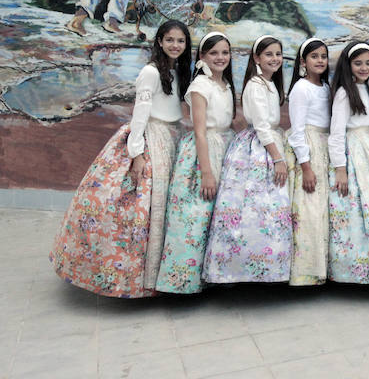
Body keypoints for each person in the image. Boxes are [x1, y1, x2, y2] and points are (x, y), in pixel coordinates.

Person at [49, 20, 191, 297]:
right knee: (145, 209)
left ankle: (163, 274)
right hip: (153, 137)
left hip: (173, 137)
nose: (175, 45)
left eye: (181, 41)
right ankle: (139, 278)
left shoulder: (177, 71)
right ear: (160, 42)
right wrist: (136, 153)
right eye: (170, 40)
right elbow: (140, 112)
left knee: (167, 208)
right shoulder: (151, 72)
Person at [203, 35, 292, 284]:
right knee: (252, 208)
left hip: (270, 141)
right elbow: (262, 126)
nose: (274, 59)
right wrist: (278, 158)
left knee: (270, 210)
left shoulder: (269, 83)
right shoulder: (255, 85)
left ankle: (267, 266)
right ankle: (240, 267)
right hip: (259, 148)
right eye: (268, 54)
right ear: (256, 58)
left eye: (278, 54)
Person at [156, 32, 236, 294]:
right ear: (202, 57)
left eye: (225, 52)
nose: (220, 57)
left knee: (220, 216)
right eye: (214, 53)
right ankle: (184, 280)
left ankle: (215, 274)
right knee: (196, 215)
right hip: (204, 152)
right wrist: (206, 173)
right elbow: (200, 131)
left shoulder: (225, 85)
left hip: (226, 146)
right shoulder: (200, 86)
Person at [327, 41, 369, 284]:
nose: (364, 68)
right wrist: (340, 169)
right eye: (358, 63)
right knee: (356, 207)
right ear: (348, 65)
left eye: (368, 63)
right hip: (353, 152)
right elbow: (336, 133)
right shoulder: (345, 92)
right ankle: (354, 268)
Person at [286, 37, 331, 286]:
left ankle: (323, 267)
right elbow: (297, 129)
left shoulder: (325, 87)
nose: (320, 61)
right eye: (314, 56)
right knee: (309, 209)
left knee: (324, 209)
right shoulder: (301, 88)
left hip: (324, 146)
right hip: (310, 148)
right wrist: (306, 166)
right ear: (303, 62)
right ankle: (306, 271)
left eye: (323, 56)